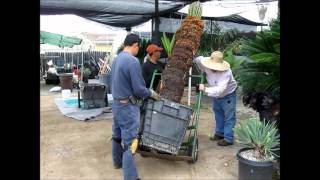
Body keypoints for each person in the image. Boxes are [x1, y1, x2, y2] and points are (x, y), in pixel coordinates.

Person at [111, 33, 160, 180]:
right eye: (139, 47)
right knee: (130, 142)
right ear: (135, 45)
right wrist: (151, 93)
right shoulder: (132, 61)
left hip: (116, 104)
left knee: (116, 135)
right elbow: (139, 89)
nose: (138, 50)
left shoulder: (116, 59)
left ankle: (117, 162)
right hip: (127, 107)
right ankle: (131, 177)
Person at [194, 51, 237, 146]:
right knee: (218, 114)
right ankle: (220, 133)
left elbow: (220, 90)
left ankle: (228, 138)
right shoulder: (205, 63)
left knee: (229, 117)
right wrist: (192, 57)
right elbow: (198, 59)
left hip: (227, 95)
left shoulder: (226, 73)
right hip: (216, 96)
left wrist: (204, 89)